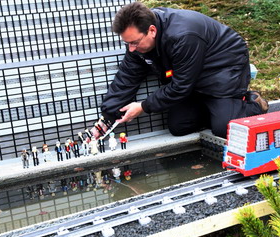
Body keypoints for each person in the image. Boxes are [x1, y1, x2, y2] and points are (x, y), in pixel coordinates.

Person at [100, 2, 268, 139]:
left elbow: (180, 87)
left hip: (223, 68)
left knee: (224, 128)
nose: (130, 49)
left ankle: (253, 103)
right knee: (178, 126)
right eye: (127, 43)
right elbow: (127, 77)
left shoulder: (183, 36)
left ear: (152, 30)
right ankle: (218, 111)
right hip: (191, 77)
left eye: (135, 42)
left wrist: (143, 106)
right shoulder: (139, 44)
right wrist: (107, 117)